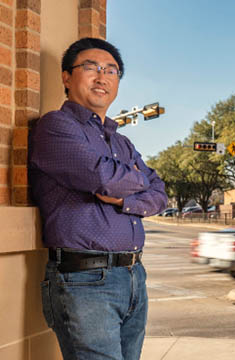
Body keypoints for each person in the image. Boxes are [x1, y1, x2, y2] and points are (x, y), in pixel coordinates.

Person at [29, 38, 168, 360]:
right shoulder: (56, 126)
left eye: (111, 71)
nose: (101, 77)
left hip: (133, 275)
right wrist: (136, 179)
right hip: (85, 279)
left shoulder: (122, 141)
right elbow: (104, 178)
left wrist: (122, 199)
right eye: (90, 68)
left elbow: (160, 194)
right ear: (67, 77)